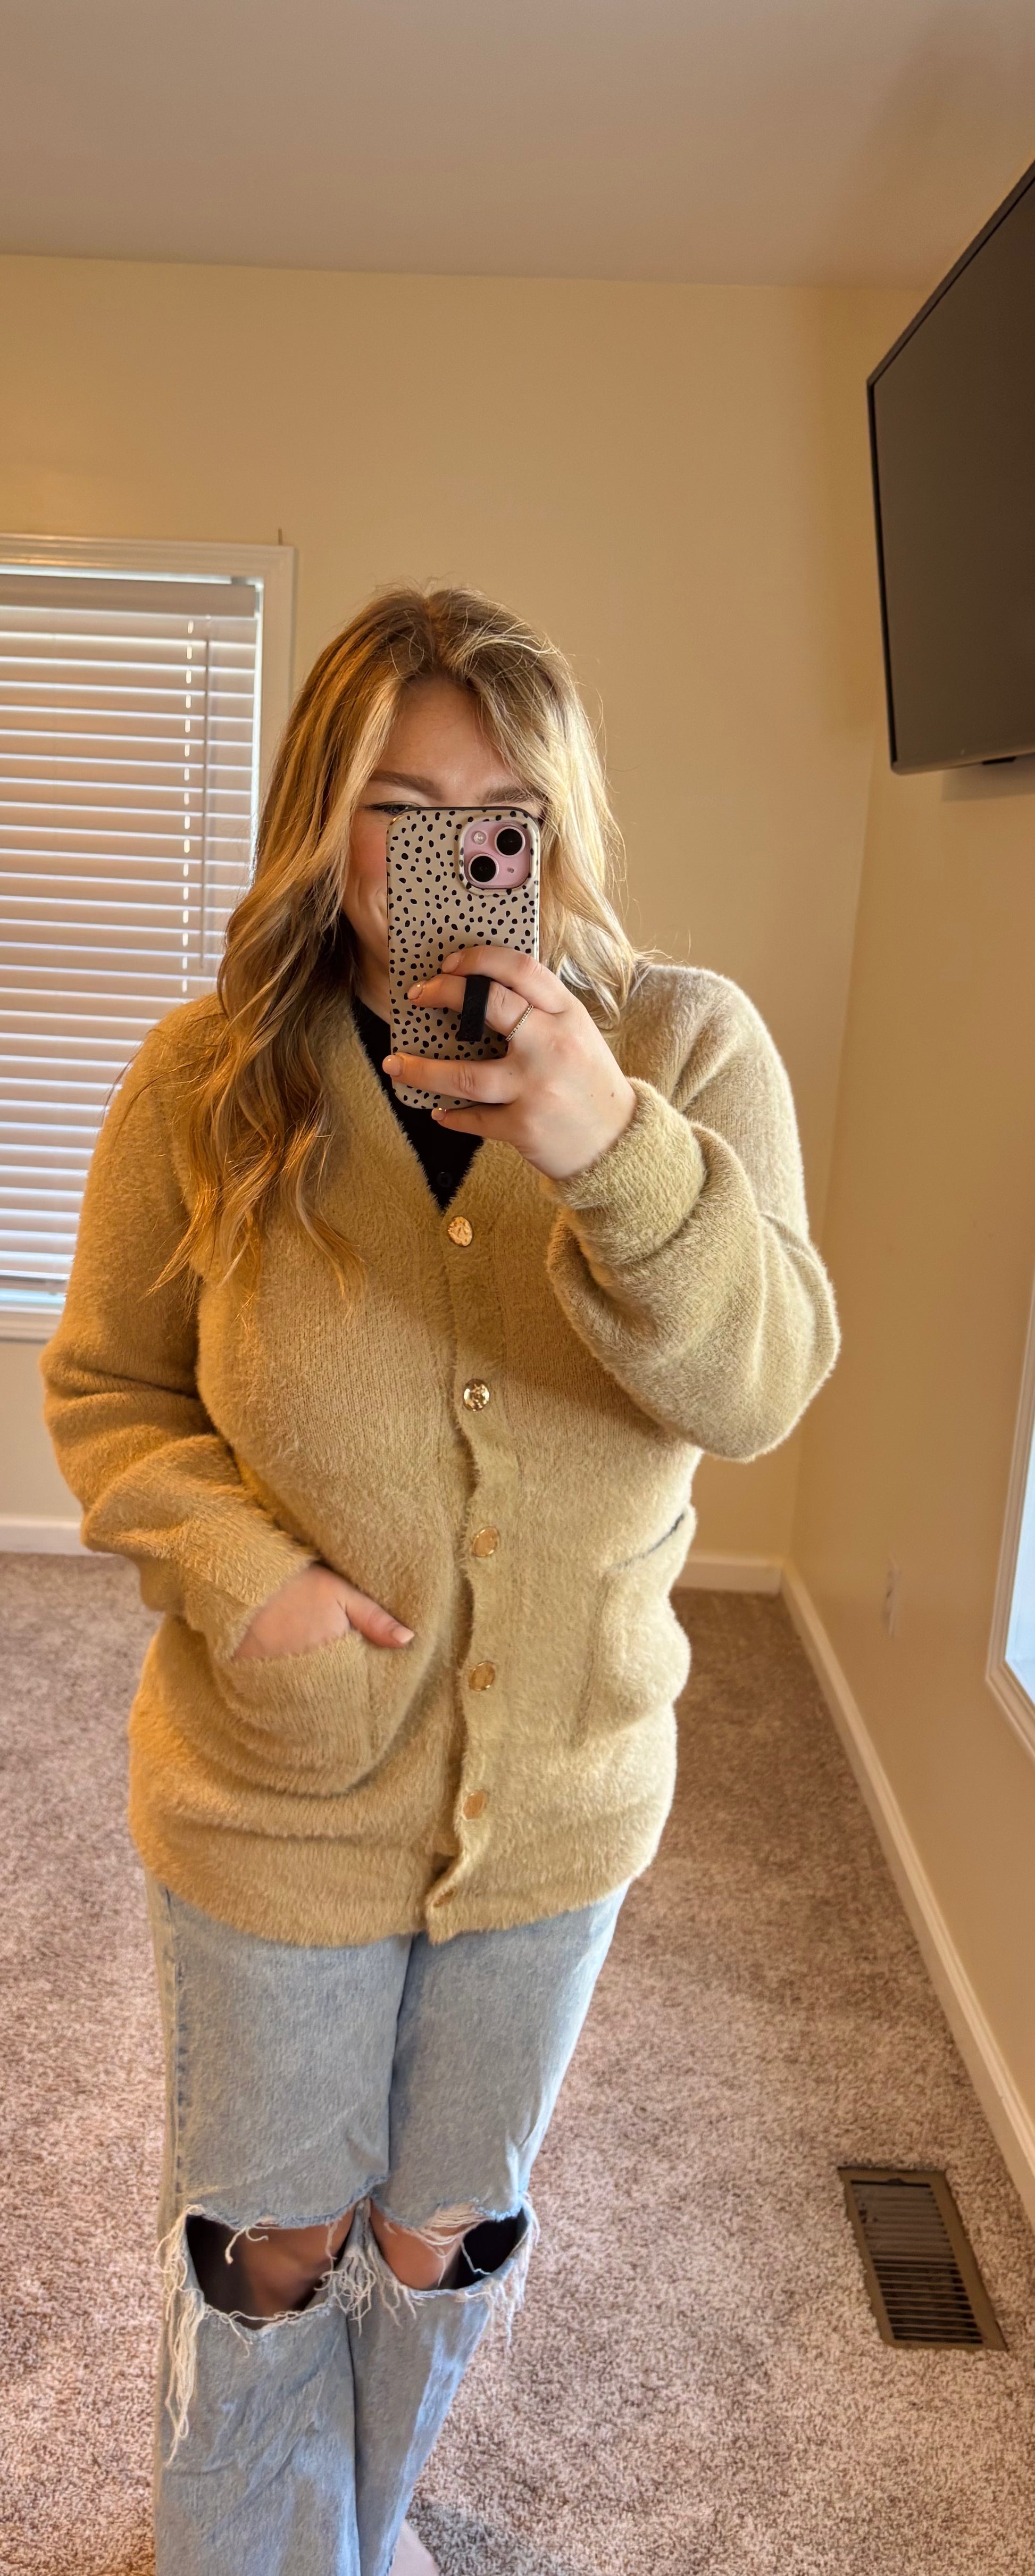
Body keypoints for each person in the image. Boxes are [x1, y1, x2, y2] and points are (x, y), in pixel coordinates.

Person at [41, 584, 839, 2576]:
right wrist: (245, 1573)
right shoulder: (208, 1076)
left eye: (501, 819)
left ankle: (354, 2529)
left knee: (436, 2236)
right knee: (274, 2242)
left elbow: (758, 1387)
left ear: (560, 826)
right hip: (276, 1790)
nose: (448, 860)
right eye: (394, 810)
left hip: (556, 1800)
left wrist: (608, 1144)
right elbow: (110, 1392)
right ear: (319, 821)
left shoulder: (685, 1047)